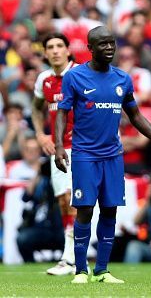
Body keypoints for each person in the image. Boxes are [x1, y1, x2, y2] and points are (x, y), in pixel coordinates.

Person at [55, 26, 151, 284]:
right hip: (85, 154)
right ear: (90, 48)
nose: (109, 48)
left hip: (113, 156)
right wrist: (57, 146)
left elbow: (135, 116)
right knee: (85, 209)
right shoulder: (74, 77)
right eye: (103, 44)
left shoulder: (122, 79)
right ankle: (80, 270)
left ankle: (102, 270)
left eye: (112, 43)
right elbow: (62, 113)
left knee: (110, 210)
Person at [31, 33, 79, 275]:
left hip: (81, 148)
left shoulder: (81, 74)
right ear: (45, 53)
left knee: (74, 199)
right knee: (63, 200)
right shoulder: (44, 79)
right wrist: (41, 135)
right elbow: (36, 108)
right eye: (50, 47)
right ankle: (71, 257)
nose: (55, 51)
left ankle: (70, 258)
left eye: (60, 46)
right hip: (57, 149)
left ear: (68, 51)